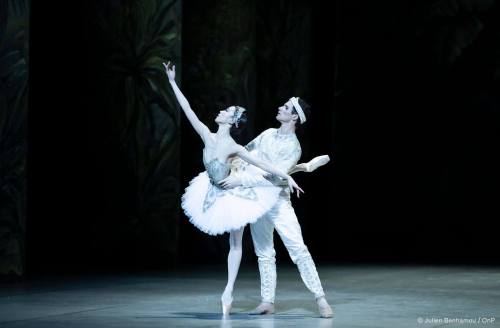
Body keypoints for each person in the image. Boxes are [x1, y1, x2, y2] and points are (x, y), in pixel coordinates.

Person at [163, 62, 304, 316]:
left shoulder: (235, 148)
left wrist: (288, 176)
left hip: (233, 194)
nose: (221, 111)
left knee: (235, 243)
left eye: (226, 111)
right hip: (211, 190)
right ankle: (229, 291)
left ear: (232, 120)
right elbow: (187, 109)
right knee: (234, 243)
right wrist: (172, 81)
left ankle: (227, 291)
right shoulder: (207, 135)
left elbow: (263, 164)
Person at [219, 97, 334, 318]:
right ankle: (267, 302)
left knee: (298, 249)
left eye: (286, 107)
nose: (280, 107)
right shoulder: (268, 133)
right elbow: (245, 154)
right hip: (257, 199)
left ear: (294, 117)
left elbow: (273, 176)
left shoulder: (293, 147)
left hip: (278, 201)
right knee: (263, 252)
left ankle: (320, 299)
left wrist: (241, 180)